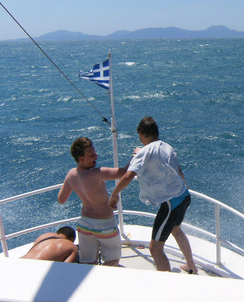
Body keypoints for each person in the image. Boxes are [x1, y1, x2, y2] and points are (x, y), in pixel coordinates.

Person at [108, 116, 197, 274]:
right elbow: (178, 170)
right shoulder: (167, 147)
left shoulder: (145, 151)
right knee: (176, 230)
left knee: (155, 249)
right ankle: (191, 265)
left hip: (171, 203)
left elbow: (128, 175)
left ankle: (165, 285)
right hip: (184, 195)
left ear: (141, 133)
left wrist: (114, 194)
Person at [58, 137, 130, 266]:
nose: (96, 155)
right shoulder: (97, 173)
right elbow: (124, 172)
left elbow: (61, 200)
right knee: (112, 261)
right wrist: (137, 154)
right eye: (92, 155)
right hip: (105, 225)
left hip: (85, 224)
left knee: (88, 262)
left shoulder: (71, 175)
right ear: (81, 159)